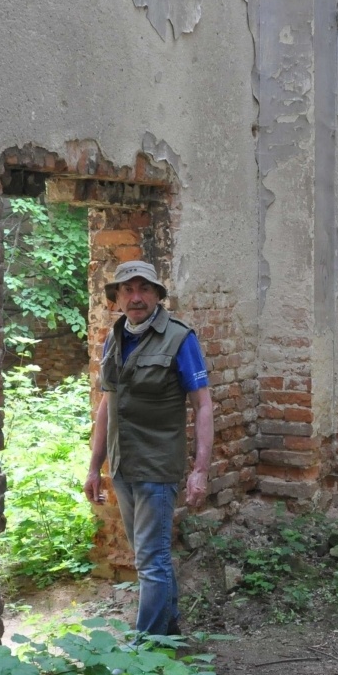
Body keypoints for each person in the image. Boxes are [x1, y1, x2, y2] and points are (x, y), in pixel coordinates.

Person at [83, 260, 213, 637]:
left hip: (157, 465)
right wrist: (95, 466)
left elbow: (202, 404)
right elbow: (107, 404)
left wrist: (200, 470)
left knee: (151, 560)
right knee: (150, 557)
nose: (135, 297)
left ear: (157, 295)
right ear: (116, 298)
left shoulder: (180, 338)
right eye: (127, 289)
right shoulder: (115, 337)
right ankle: (167, 633)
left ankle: (149, 649)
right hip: (123, 465)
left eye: (143, 289)